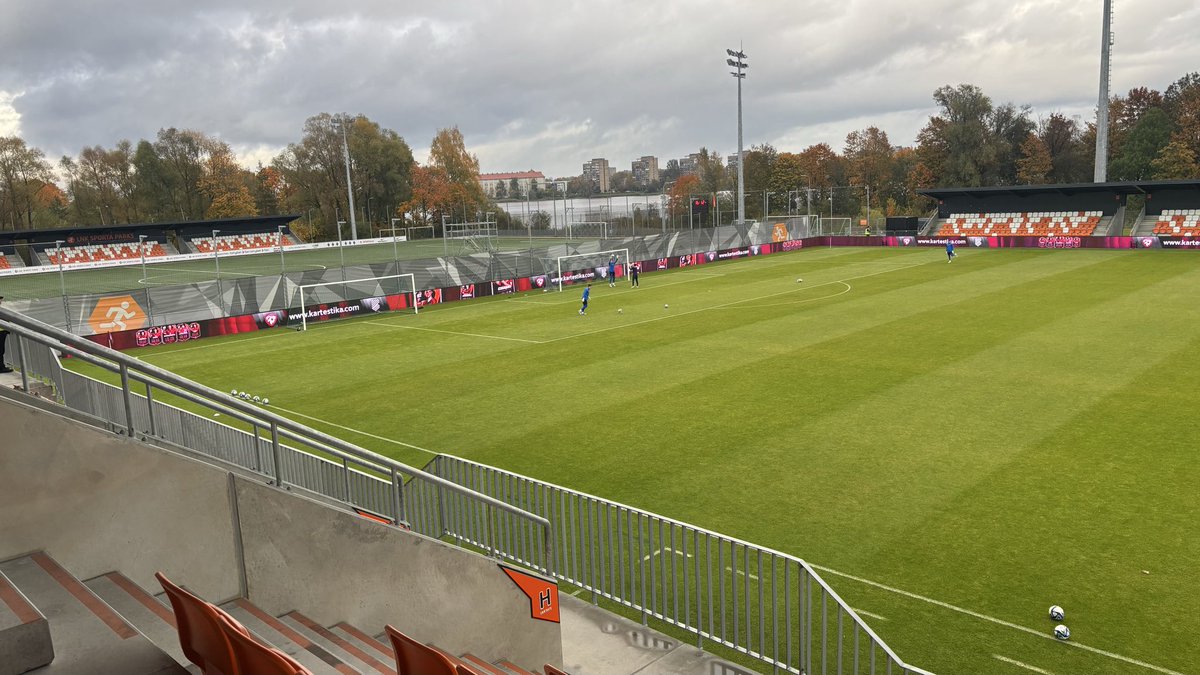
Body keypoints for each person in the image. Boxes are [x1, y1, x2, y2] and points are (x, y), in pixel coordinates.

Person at [0, 296, 10, 373]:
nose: (1, 301)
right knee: (1, 350)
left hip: (2, 331)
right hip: (1, 332)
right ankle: (1, 367)